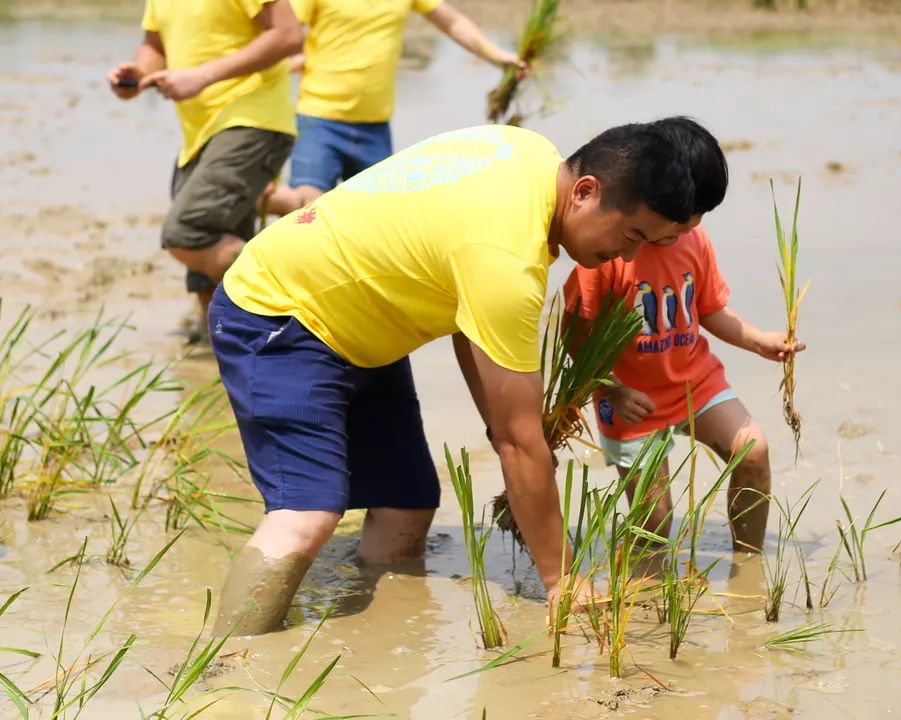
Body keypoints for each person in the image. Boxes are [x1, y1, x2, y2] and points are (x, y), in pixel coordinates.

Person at [208, 121, 698, 635]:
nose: (627, 257)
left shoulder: (529, 154)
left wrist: (505, 430)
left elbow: (474, 327)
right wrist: (562, 580)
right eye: (630, 236)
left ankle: (374, 648)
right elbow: (517, 439)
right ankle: (226, 666)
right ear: (585, 192)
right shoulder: (507, 257)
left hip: (364, 321)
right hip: (279, 313)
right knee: (307, 514)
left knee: (407, 505)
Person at [562, 117, 807, 554]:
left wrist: (757, 339)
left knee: (753, 451)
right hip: (632, 400)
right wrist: (613, 391)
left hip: (695, 381)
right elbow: (575, 338)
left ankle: (748, 567)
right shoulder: (607, 254)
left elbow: (710, 309)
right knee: (655, 521)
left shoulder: (694, 242)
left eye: (698, 216)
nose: (689, 226)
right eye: (682, 215)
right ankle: (643, 594)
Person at [106, 0, 302, 321]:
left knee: (189, 232)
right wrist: (139, 74)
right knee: (205, 272)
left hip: (252, 121)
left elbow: (288, 35)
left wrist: (202, 76)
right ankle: (230, 357)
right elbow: (154, 45)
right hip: (198, 135)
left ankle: (303, 307)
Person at [263, 0, 524, 215]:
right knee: (310, 213)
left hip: (375, 127)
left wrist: (497, 56)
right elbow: (282, 32)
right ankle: (258, 200)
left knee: (378, 220)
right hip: (319, 119)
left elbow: (451, 21)